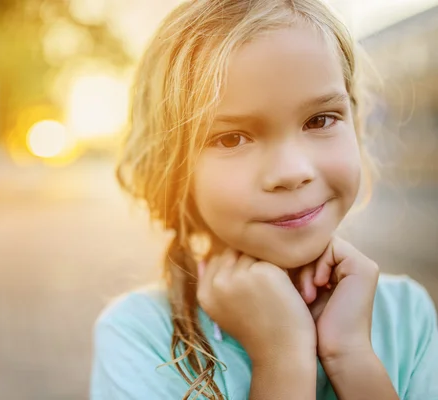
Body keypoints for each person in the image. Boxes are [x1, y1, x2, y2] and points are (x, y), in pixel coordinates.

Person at [90, 1, 438, 399]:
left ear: (356, 124)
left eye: (320, 119)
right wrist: (283, 360)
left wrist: (351, 356)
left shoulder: (406, 315)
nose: (291, 171)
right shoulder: (138, 335)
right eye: (231, 137)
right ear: (173, 169)